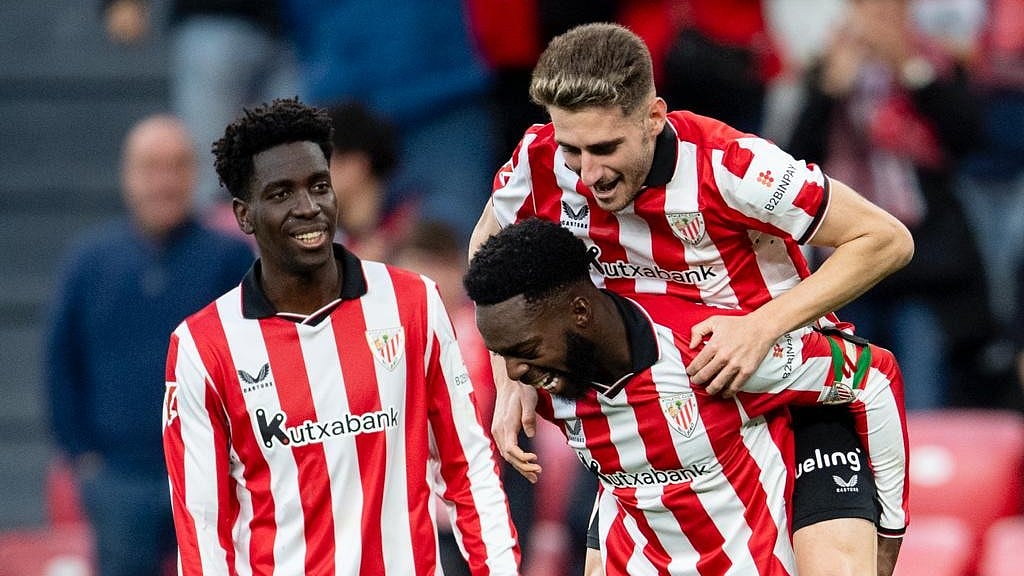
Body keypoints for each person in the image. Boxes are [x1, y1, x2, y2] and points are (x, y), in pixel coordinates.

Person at [470, 22, 914, 576]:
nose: (589, 174)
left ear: (654, 117)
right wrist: (509, 371)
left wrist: (761, 327)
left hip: (786, 387)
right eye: (573, 150)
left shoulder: (733, 166)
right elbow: (488, 251)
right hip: (650, 401)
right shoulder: (539, 160)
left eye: (606, 148)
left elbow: (886, 239)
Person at [162, 98, 520, 574]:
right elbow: (203, 527)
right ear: (245, 215)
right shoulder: (204, 346)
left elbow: (469, 467)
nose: (308, 207)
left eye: (318, 186)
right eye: (281, 194)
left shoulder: (413, 303)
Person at [465, 218, 908, 576]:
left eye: (523, 351)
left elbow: (873, 375)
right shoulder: (548, 382)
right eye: (502, 355)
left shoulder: (711, 351)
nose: (514, 373)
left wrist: (889, 535)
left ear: (580, 313)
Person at [43, 115, 254, 576]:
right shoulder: (88, 262)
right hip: (119, 476)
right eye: (151, 167)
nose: (164, 181)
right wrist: (83, 457)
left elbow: (254, 356)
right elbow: (61, 363)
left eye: (177, 166)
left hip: (209, 470)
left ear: (194, 174)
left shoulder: (230, 259)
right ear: (128, 175)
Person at [787, 0, 989, 410]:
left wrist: (911, 70)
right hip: (846, 262)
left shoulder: (934, 61)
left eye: (889, 8)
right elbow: (793, 161)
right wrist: (829, 90)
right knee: (852, 396)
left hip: (923, 270)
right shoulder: (826, 67)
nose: (879, 18)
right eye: (868, 8)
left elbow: (966, 138)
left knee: (920, 394)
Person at [103, 0, 298, 213]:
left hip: (286, 30)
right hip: (212, 20)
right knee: (209, 166)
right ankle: (208, 232)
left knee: (290, 160)